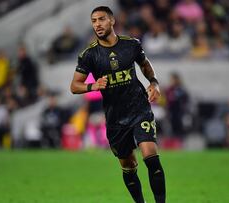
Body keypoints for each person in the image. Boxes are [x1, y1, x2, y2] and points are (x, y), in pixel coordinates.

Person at [70, 6, 166, 203]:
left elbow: (145, 65)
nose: (97, 24)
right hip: (115, 117)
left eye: (101, 19)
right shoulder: (89, 55)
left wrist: (154, 83)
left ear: (112, 21)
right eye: (94, 21)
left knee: (150, 156)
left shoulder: (131, 45)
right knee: (129, 165)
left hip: (139, 108)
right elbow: (74, 86)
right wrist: (92, 86)